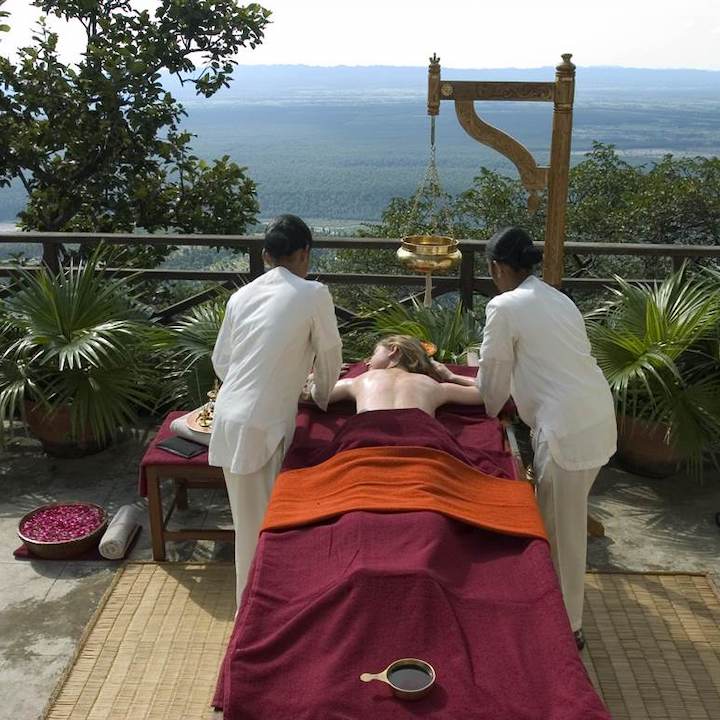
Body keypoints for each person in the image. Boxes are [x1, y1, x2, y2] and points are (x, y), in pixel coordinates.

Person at [475, 226, 617, 650]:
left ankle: (568, 628)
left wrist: (482, 403)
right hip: (595, 416)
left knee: (563, 534)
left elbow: (493, 383)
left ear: (498, 268)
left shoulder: (504, 306)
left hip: (566, 430)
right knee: (558, 524)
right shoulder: (558, 297)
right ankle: (554, 611)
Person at [209, 214, 343, 605]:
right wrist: (318, 396)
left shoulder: (241, 296)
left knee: (249, 526)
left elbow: (222, 362)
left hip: (231, 416)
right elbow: (330, 356)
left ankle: (259, 613)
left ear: (266, 255)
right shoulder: (313, 293)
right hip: (259, 426)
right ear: (305, 252)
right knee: (261, 532)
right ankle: (252, 622)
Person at [314, 335, 483, 414]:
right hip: (421, 442)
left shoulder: (361, 380)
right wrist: (452, 376)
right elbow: (488, 393)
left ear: (393, 350)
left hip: (368, 437)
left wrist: (318, 376)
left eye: (373, 354)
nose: (367, 362)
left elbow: (314, 395)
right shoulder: (432, 385)